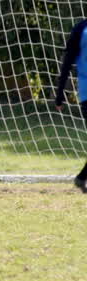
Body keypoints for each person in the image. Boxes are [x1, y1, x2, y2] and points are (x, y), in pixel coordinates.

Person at [52, 18, 87, 193]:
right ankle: (81, 177)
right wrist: (60, 94)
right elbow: (67, 63)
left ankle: (81, 177)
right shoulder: (81, 29)